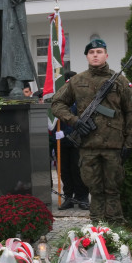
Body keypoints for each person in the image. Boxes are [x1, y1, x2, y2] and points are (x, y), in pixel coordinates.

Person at [51, 39, 132, 226]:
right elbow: (57, 104)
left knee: (113, 190)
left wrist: (130, 142)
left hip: (113, 145)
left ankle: (116, 231)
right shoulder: (76, 81)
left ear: (106, 55)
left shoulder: (120, 81)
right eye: (91, 52)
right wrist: (74, 121)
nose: (95, 55)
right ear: (87, 56)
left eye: (99, 51)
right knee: (95, 189)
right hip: (88, 145)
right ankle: (97, 230)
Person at [55, 71, 89, 210]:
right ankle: (68, 197)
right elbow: (53, 120)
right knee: (65, 170)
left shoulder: (82, 99)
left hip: (78, 141)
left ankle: (82, 198)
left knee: (78, 170)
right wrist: (56, 134)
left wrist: (68, 132)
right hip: (62, 142)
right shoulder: (61, 100)